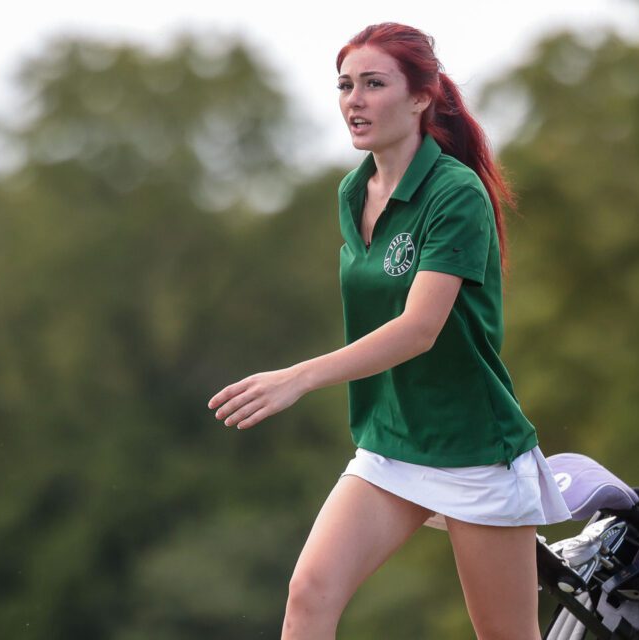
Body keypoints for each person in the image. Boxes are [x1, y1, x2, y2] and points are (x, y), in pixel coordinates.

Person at [207, 22, 569, 639]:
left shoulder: (455, 193)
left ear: (421, 97)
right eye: (346, 85)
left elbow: (418, 330)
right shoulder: (353, 193)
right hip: (391, 440)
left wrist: (297, 378)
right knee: (308, 596)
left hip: (473, 448)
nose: (354, 99)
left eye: (374, 84)